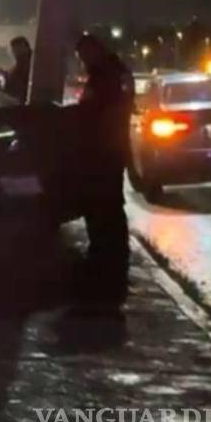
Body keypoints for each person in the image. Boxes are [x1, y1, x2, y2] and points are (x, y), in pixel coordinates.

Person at [73, 33, 135, 314]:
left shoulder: (105, 75)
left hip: (103, 155)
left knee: (103, 214)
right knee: (108, 214)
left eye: (84, 55)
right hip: (110, 152)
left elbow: (94, 113)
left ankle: (106, 276)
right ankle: (110, 275)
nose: (83, 62)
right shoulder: (117, 72)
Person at [3, 36, 33, 102]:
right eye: (13, 50)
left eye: (16, 49)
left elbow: (20, 82)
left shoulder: (27, 63)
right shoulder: (22, 63)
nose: (14, 53)